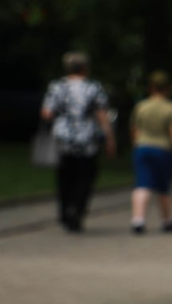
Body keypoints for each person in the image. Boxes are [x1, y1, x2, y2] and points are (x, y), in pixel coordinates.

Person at [40, 51, 117, 233]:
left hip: (62, 139)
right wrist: (110, 139)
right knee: (86, 177)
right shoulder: (93, 87)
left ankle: (64, 212)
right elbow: (102, 115)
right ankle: (77, 210)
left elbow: (47, 113)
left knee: (64, 178)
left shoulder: (57, 87)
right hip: (86, 140)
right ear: (85, 68)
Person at [129, 71, 172, 234]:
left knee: (142, 183)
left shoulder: (141, 106)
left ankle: (138, 219)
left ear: (150, 88)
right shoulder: (171, 108)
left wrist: (136, 146)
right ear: (167, 89)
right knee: (163, 186)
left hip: (142, 147)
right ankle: (167, 220)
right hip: (163, 149)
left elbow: (135, 130)